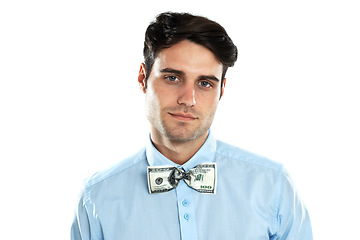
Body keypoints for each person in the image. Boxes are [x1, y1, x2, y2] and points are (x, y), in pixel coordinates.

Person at [71, 12, 313, 240]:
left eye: (205, 83)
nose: (188, 99)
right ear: (142, 78)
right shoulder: (96, 199)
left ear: (222, 90)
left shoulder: (273, 186)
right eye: (172, 78)